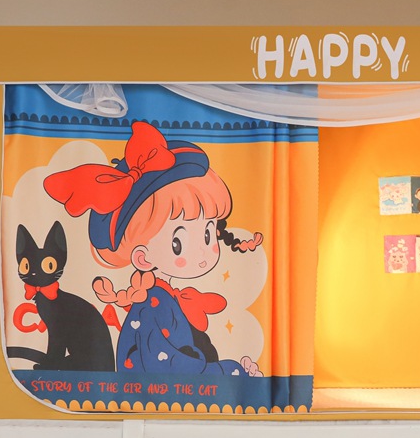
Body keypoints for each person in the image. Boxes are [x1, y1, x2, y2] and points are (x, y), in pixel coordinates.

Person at [43, 121, 263, 375]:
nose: (203, 253)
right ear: (142, 258)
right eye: (178, 243)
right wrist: (230, 371)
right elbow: (169, 366)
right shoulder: (155, 303)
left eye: (207, 233)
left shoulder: (162, 299)